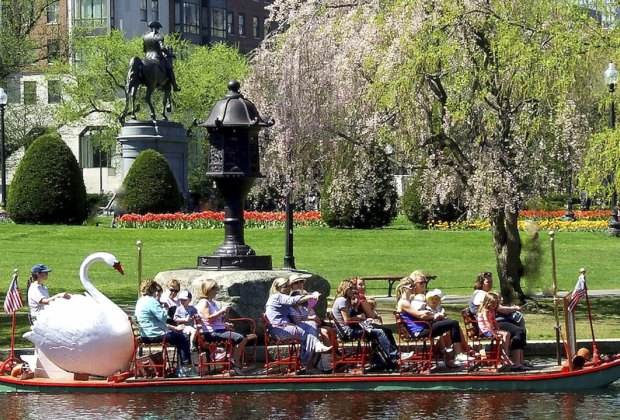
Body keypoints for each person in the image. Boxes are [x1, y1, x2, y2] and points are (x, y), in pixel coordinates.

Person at [395, 271, 468, 368]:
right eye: (411, 287)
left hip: (424, 327)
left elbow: (422, 314)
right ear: (404, 288)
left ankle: (454, 354)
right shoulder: (404, 302)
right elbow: (420, 315)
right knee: (453, 323)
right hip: (420, 331)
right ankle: (457, 354)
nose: (413, 288)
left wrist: (431, 315)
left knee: (450, 323)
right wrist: (434, 315)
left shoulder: (407, 300)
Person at [265, 277, 332, 373]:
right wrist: (310, 296)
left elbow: (298, 305)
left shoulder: (281, 297)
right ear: (278, 288)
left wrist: (310, 298)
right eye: (285, 286)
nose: (288, 288)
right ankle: (311, 363)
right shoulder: (277, 296)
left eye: (289, 286)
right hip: (280, 329)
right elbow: (293, 301)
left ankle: (312, 359)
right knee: (311, 333)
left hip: (285, 327)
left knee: (311, 325)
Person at [331, 280, 401, 370]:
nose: (353, 290)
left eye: (353, 288)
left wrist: (355, 308)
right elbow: (347, 320)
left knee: (386, 331)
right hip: (348, 332)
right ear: (344, 289)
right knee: (379, 332)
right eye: (350, 288)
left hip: (354, 327)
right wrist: (359, 317)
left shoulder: (346, 300)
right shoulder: (342, 301)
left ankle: (382, 361)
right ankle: (394, 357)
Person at [134, 279, 197, 377]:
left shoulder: (140, 301)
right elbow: (163, 318)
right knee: (183, 337)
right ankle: (185, 368)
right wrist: (165, 308)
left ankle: (181, 367)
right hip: (156, 334)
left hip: (145, 334)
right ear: (153, 289)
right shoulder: (151, 301)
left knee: (179, 336)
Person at [195, 279, 255, 375]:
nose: (217, 291)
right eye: (215, 288)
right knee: (242, 338)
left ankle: (232, 359)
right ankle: (235, 361)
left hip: (219, 329)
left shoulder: (212, 302)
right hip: (211, 333)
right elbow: (208, 319)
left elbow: (216, 320)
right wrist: (220, 311)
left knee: (243, 336)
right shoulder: (204, 302)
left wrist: (224, 318)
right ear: (208, 289)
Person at [469, 272, 527, 367]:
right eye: (488, 282)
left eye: (491, 282)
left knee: (519, 328)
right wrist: (514, 308)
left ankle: (519, 360)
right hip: (489, 325)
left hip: (494, 322)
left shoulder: (484, 294)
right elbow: (501, 309)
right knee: (519, 331)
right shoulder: (482, 295)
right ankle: (516, 362)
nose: (491, 284)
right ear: (481, 283)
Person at [288, 273, 333, 348]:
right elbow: (295, 318)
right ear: (291, 286)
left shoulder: (305, 294)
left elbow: (310, 305)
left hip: (310, 323)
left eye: (301, 281)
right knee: (325, 331)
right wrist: (311, 318)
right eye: (296, 283)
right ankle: (328, 356)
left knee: (330, 330)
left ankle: (335, 354)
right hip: (300, 327)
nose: (299, 284)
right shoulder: (291, 299)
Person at [143, 21, 180, 92]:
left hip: (147, 58)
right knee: (170, 69)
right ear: (157, 28)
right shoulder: (159, 36)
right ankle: (175, 86)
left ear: (151, 28)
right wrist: (170, 54)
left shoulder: (145, 37)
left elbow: (145, 50)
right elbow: (162, 48)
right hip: (157, 57)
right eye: (159, 28)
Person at [477, 291, 512, 366]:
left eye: (496, 303)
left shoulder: (491, 310)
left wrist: (498, 329)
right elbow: (487, 323)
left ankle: (503, 353)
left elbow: (494, 321)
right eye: (493, 303)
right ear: (487, 302)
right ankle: (503, 355)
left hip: (491, 330)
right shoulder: (485, 311)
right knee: (505, 334)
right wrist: (494, 333)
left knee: (507, 334)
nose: (495, 305)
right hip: (485, 331)